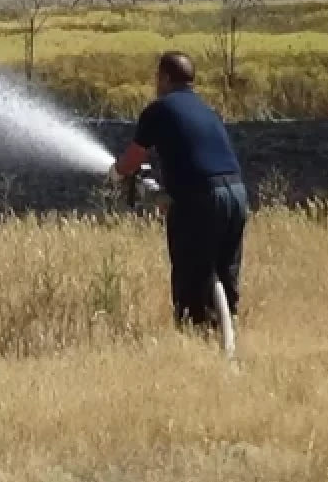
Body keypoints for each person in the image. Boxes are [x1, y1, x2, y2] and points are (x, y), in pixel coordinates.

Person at [107, 51, 250, 331]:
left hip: (201, 199)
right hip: (236, 194)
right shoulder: (209, 111)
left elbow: (133, 160)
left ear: (164, 78)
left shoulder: (158, 110)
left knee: (191, 283)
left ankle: (196, 345)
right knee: (225, 275)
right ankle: (227, 338)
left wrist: (116, 172)